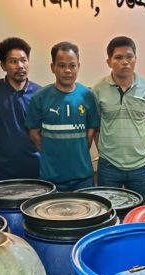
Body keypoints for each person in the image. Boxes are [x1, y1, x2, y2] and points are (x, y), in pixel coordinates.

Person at [25, 41, 99, 191]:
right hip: (51, 179)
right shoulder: (40, 97)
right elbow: (33, 132)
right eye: (62, 65)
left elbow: (91, 130)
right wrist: (49, 152)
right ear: (53, 67)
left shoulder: (88, 96)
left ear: (79, 66)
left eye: (72, 65)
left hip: (83, 177)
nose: (67, 70)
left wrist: (79, 151)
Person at [92, 36, 145, 202]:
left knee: (139, 210)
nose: (125, 62)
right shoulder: (97, 90)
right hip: (109, 165)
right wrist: (105, 152)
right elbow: (96, 128)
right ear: (109, 62)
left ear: (136, 59)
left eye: (129, 57)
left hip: (140, 166)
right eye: (118, 57)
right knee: (109, 209)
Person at [0, 37, 41, 181]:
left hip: (37, 168)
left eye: (24, 60)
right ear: (3, 65)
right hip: (2, 169)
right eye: (13, 61)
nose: (20, 66)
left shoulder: (40, 94)